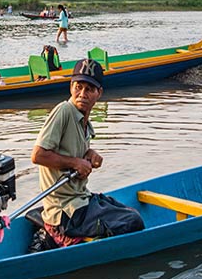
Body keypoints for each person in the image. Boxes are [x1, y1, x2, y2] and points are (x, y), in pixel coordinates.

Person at [31, 59, 145, 247]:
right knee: (134, 221)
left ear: (98, 93)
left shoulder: (84, 122)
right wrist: (75, 163)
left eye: (89, 89)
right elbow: (38, 155)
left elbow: (71, 152)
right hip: (66, 211)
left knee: (127, 209)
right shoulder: (65, 111)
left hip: (81, 199)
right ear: (71, 87)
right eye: (79, 87)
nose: (82, 94)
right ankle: (63, 237)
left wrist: (90, 154)